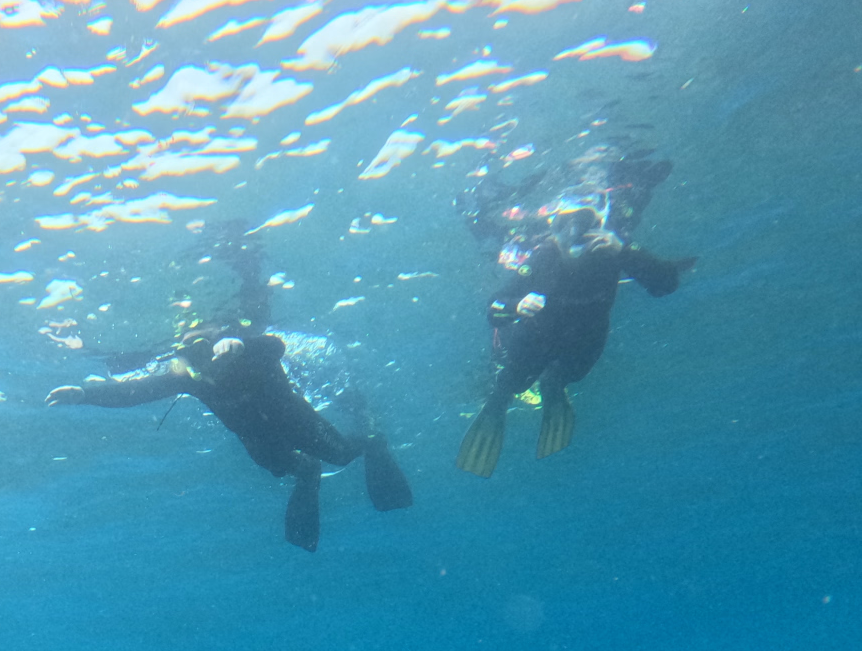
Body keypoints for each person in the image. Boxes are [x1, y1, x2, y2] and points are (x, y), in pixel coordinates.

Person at [47, 326, 412, 552]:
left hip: (296, 421)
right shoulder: (185, 377)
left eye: (205, 345)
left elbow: (275, 346)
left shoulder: (250, 354)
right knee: (283, 469)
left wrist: (241, 343)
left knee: (344, 455)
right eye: (189, 351)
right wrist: (84, 394)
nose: (200, 357)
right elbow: (135, 393)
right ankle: (307, 471)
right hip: (256, 439)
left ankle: (371, 441)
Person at [457, 148, 695, 478]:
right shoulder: (543, 256)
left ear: (599, 224)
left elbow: (666, 283)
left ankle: (552, 387)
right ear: (554, 228)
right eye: (565, 224)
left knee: (559, 377)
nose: (574, 234)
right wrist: (515, 306)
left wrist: (625, 252)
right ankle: (501, 399)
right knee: (507, 383)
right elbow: (494, 308)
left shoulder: (612, 252)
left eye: (584, 224)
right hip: (535, 340)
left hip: (584, 344)